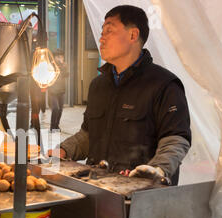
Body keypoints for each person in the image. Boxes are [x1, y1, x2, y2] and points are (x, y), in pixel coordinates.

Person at [48, 5, 191, 185]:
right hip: (97, 187)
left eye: (109, 30)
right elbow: (89, 134)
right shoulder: (98, 85)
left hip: (141, 194)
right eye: (102, 31)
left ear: (133, 35)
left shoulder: (164, 84)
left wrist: (158, 169)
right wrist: (64, 150)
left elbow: (176, 140)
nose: (101, 38)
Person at [48, 49, 69, 131]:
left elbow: (66, 75)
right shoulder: (51, 65)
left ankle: (56, 125)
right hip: (52, 91)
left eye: (61, 56)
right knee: (55, 108)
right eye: (58, 56)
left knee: (60, 109)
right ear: (54, 57)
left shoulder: (64, 65)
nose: (60, 58)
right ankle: (52, 126)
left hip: (61, 90)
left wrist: (63, 66)